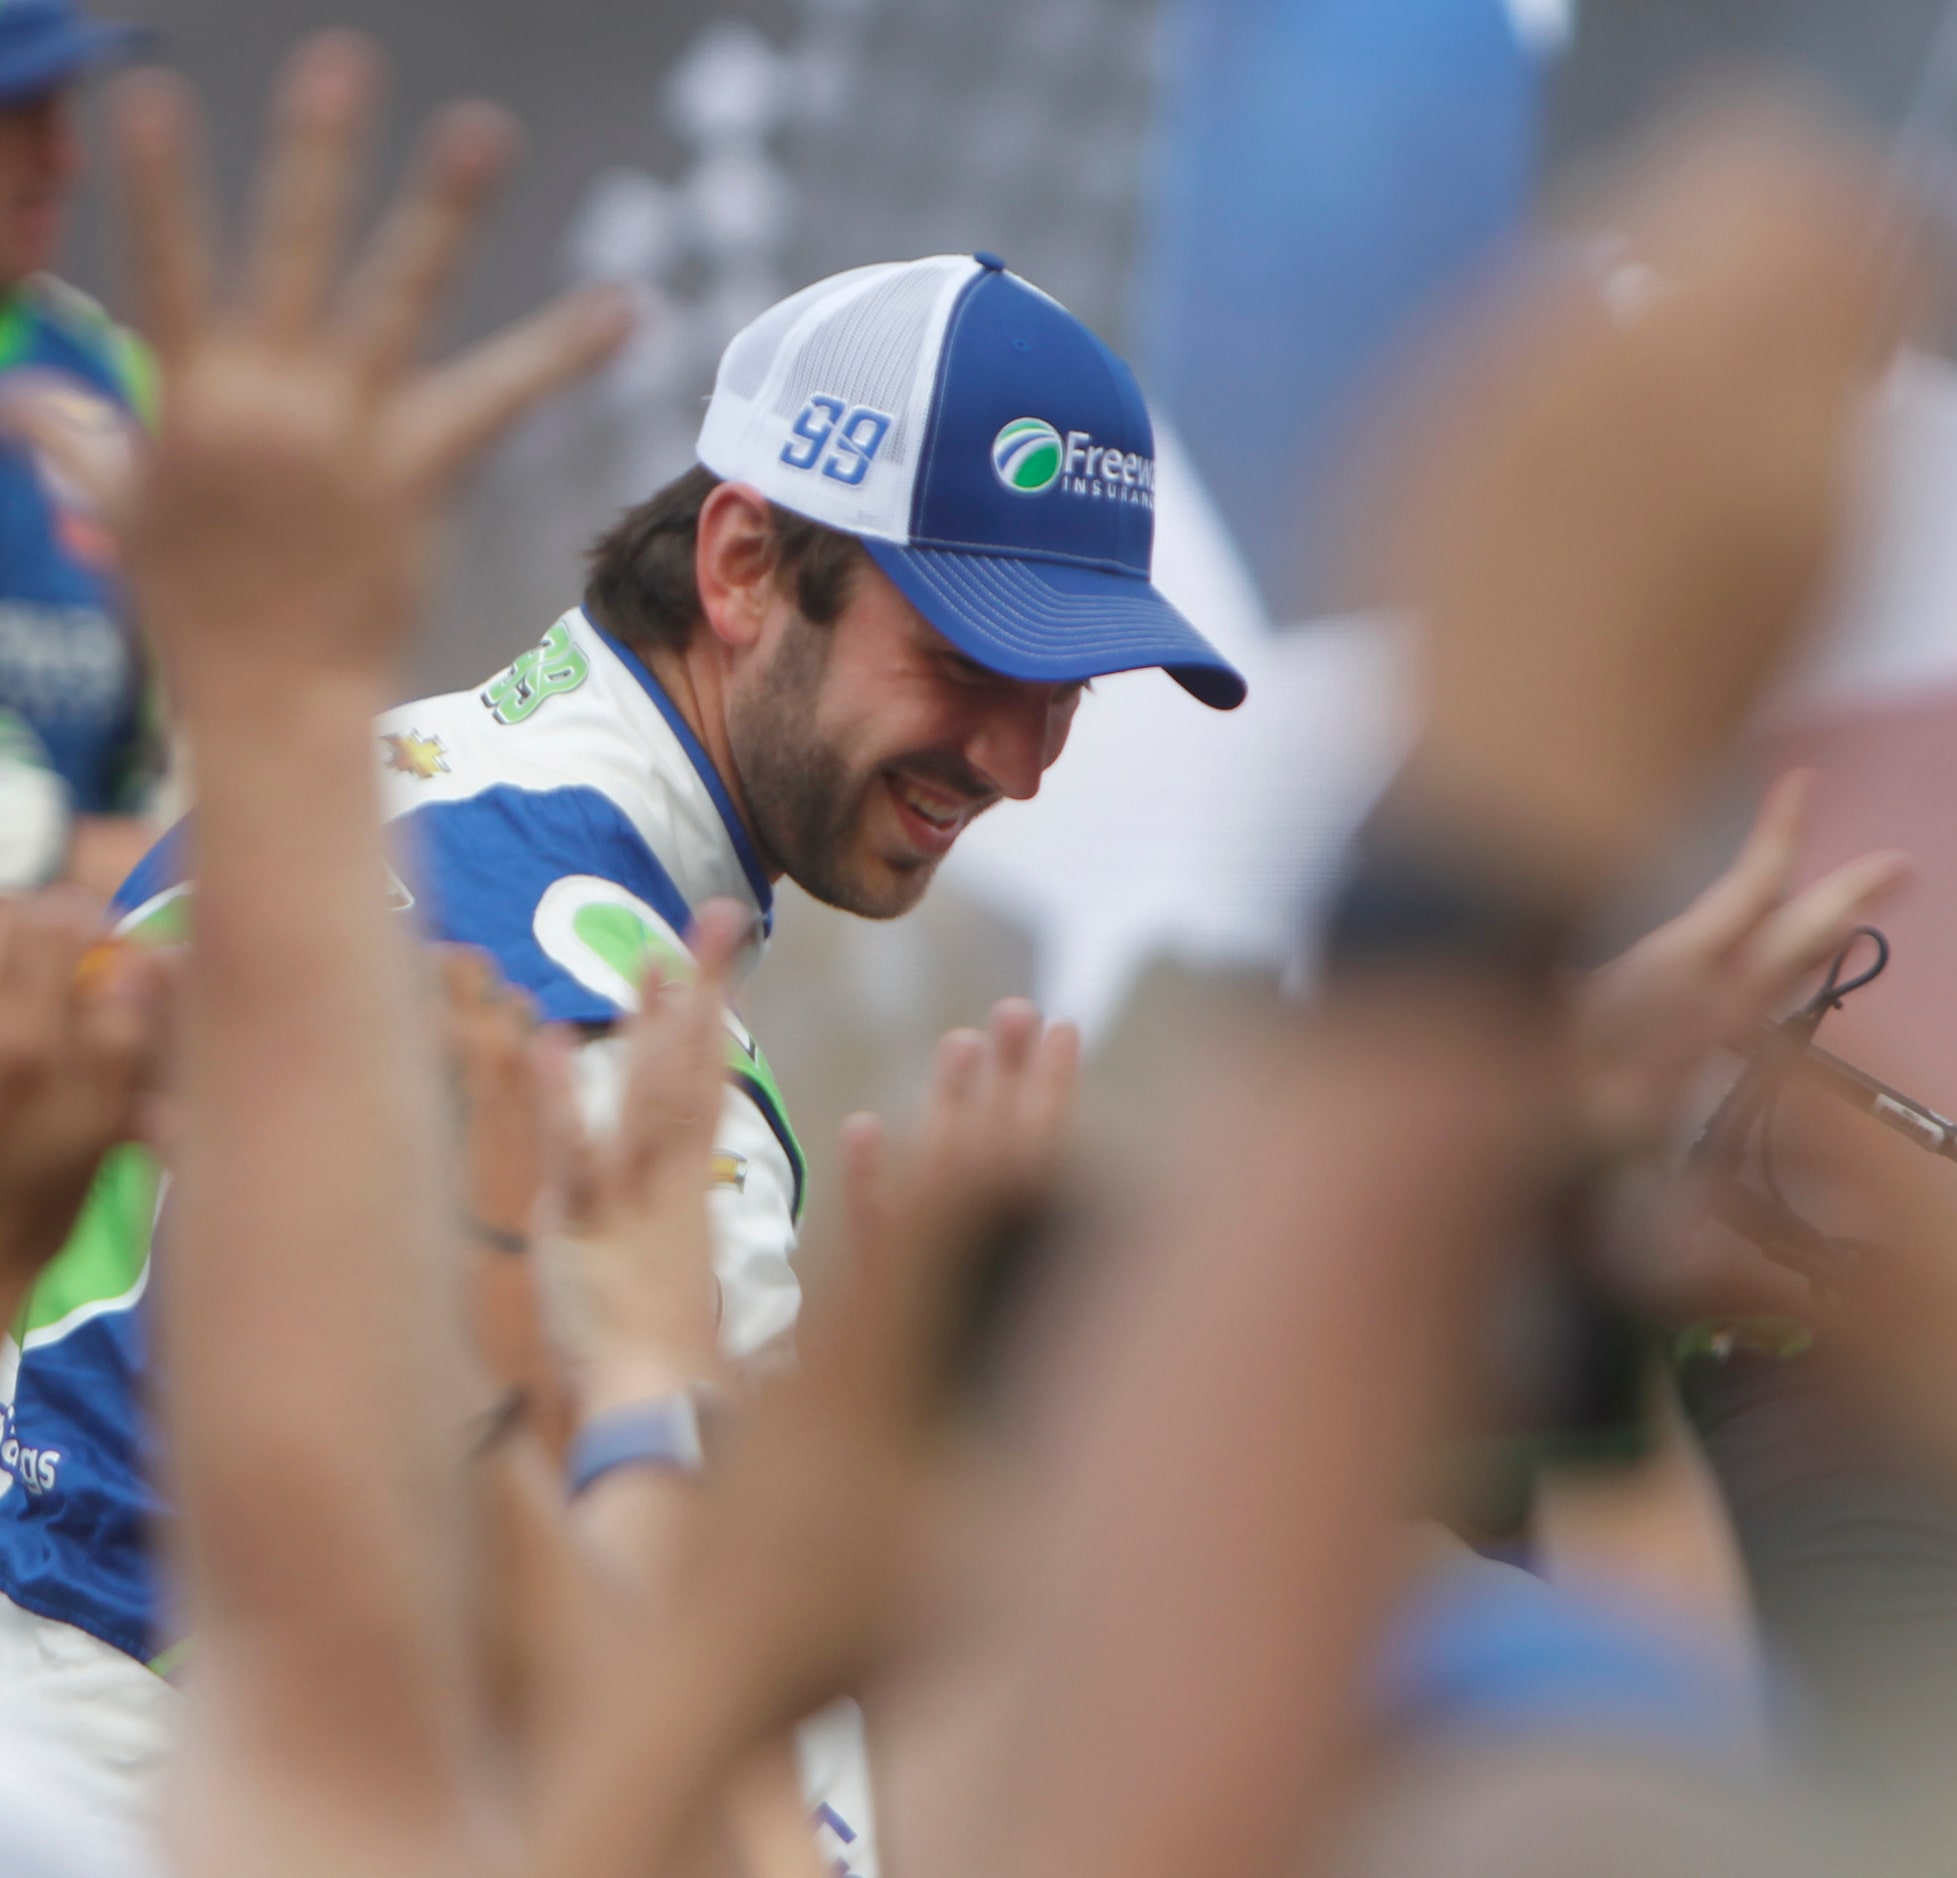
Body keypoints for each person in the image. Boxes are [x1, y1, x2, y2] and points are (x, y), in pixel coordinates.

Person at [0, 74, 1246, 1849]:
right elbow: (725, 1783)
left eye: (1069, 688)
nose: (1019, 759)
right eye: (973, 653)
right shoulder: (601, 1021)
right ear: (743, 561)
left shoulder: (394, 770)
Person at [0, 0, 165, 899]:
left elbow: (175, 725)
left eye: (61, 114)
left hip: (76, 988)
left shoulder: (109, 372)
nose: (65, 158)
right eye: (19, 115)